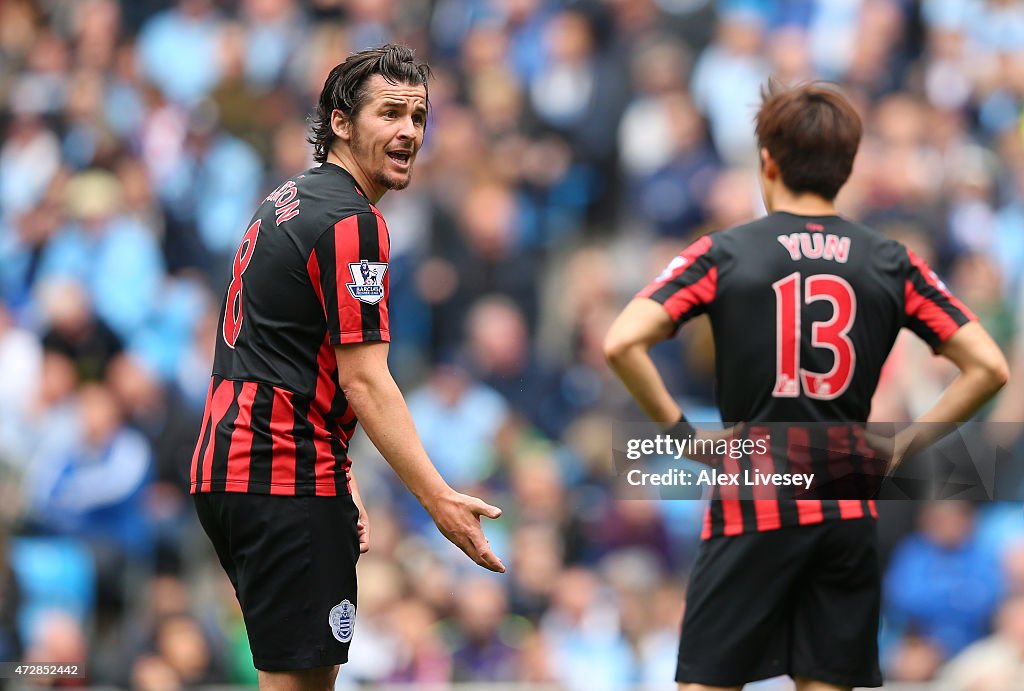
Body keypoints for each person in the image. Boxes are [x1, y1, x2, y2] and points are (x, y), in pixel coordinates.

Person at [604, 81, 1009, 691]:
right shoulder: (891, 260)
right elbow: (988, 366)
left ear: (767, 161)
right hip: (848, 493)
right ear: (846, 170)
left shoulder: (725, 253)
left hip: (758, 488)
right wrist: (903, 444)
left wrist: (686, 438)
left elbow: (622, 342)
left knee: (707, 682)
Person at [188, 44, 505, 691]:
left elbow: (284, 353)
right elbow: (365, 378)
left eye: (418, 117)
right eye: (389, 113)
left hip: (232, 471)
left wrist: (340, 468)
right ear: (339, 120)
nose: (409, 132)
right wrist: (438, 497)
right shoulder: (352, 223)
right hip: (282, 477)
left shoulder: (287, 200)